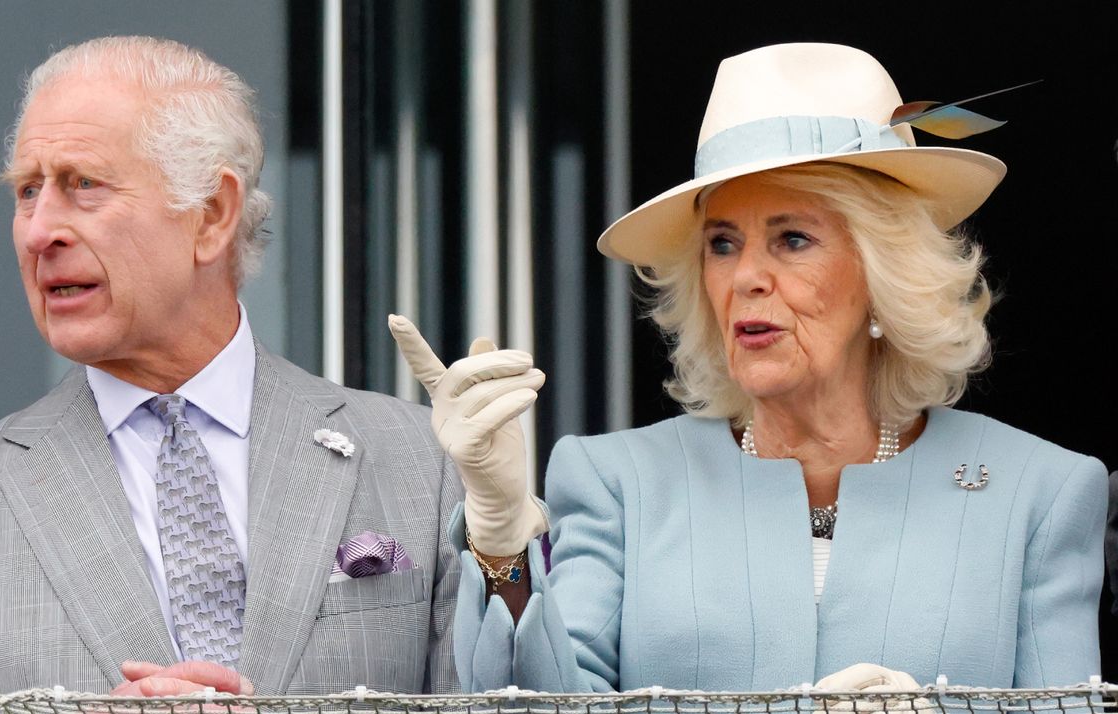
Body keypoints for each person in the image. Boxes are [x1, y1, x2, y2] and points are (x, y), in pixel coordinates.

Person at [391, 43, 1107, 692]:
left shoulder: (1038, 493)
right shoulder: (618, 483)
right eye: (723, 244)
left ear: (884, 275)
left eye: (792, 239)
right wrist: (499, 540)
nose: (747, 277)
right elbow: (538, 705)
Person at [0, 36, 461, 697]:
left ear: (212, 215)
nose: (37, 231)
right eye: (27, 191)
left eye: (83, 184)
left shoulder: (426, 462)